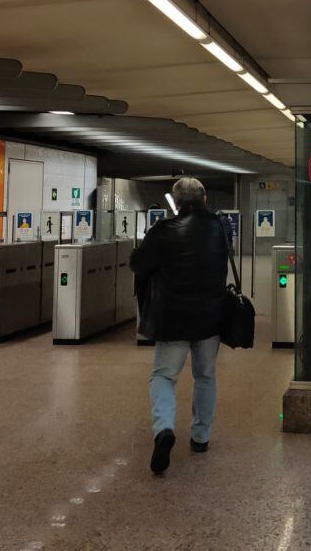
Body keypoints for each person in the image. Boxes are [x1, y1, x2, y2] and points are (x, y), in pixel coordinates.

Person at [130, 177, 228, 474]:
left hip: (172, 316)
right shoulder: (219, 228)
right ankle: (200, 437)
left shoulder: (162, 231)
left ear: (175, 202)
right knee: (206, 375)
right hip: (210, 315)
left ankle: (164, 430)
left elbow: (139, 264)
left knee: (163, 376)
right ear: (204, 199)